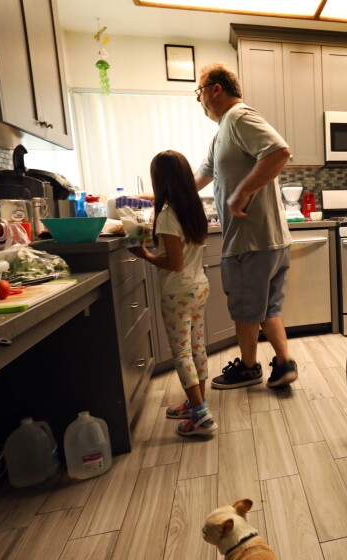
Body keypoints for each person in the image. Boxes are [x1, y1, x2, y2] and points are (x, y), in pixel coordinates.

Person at [193, 62, 298, 390]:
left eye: (199, 93)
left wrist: (242, 192)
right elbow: (198, 179)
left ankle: (249, 368)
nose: (198, 101)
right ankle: (284, 364)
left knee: (246, 310)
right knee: (266, 308)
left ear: (215, 89)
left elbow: (279, 151)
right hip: (270, 240)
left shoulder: (238, 117)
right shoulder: (221, 133)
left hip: (251, 241)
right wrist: (159, 193)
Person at [131, 150, 216, 437]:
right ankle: (195, 404)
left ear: (160, 180)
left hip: (178, 292)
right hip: (199, 287)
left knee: (182, 353)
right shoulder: (192, 208)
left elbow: (174, 263)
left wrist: (145, 255)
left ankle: (202, 417)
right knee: (196, 348)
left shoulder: (167, 216)